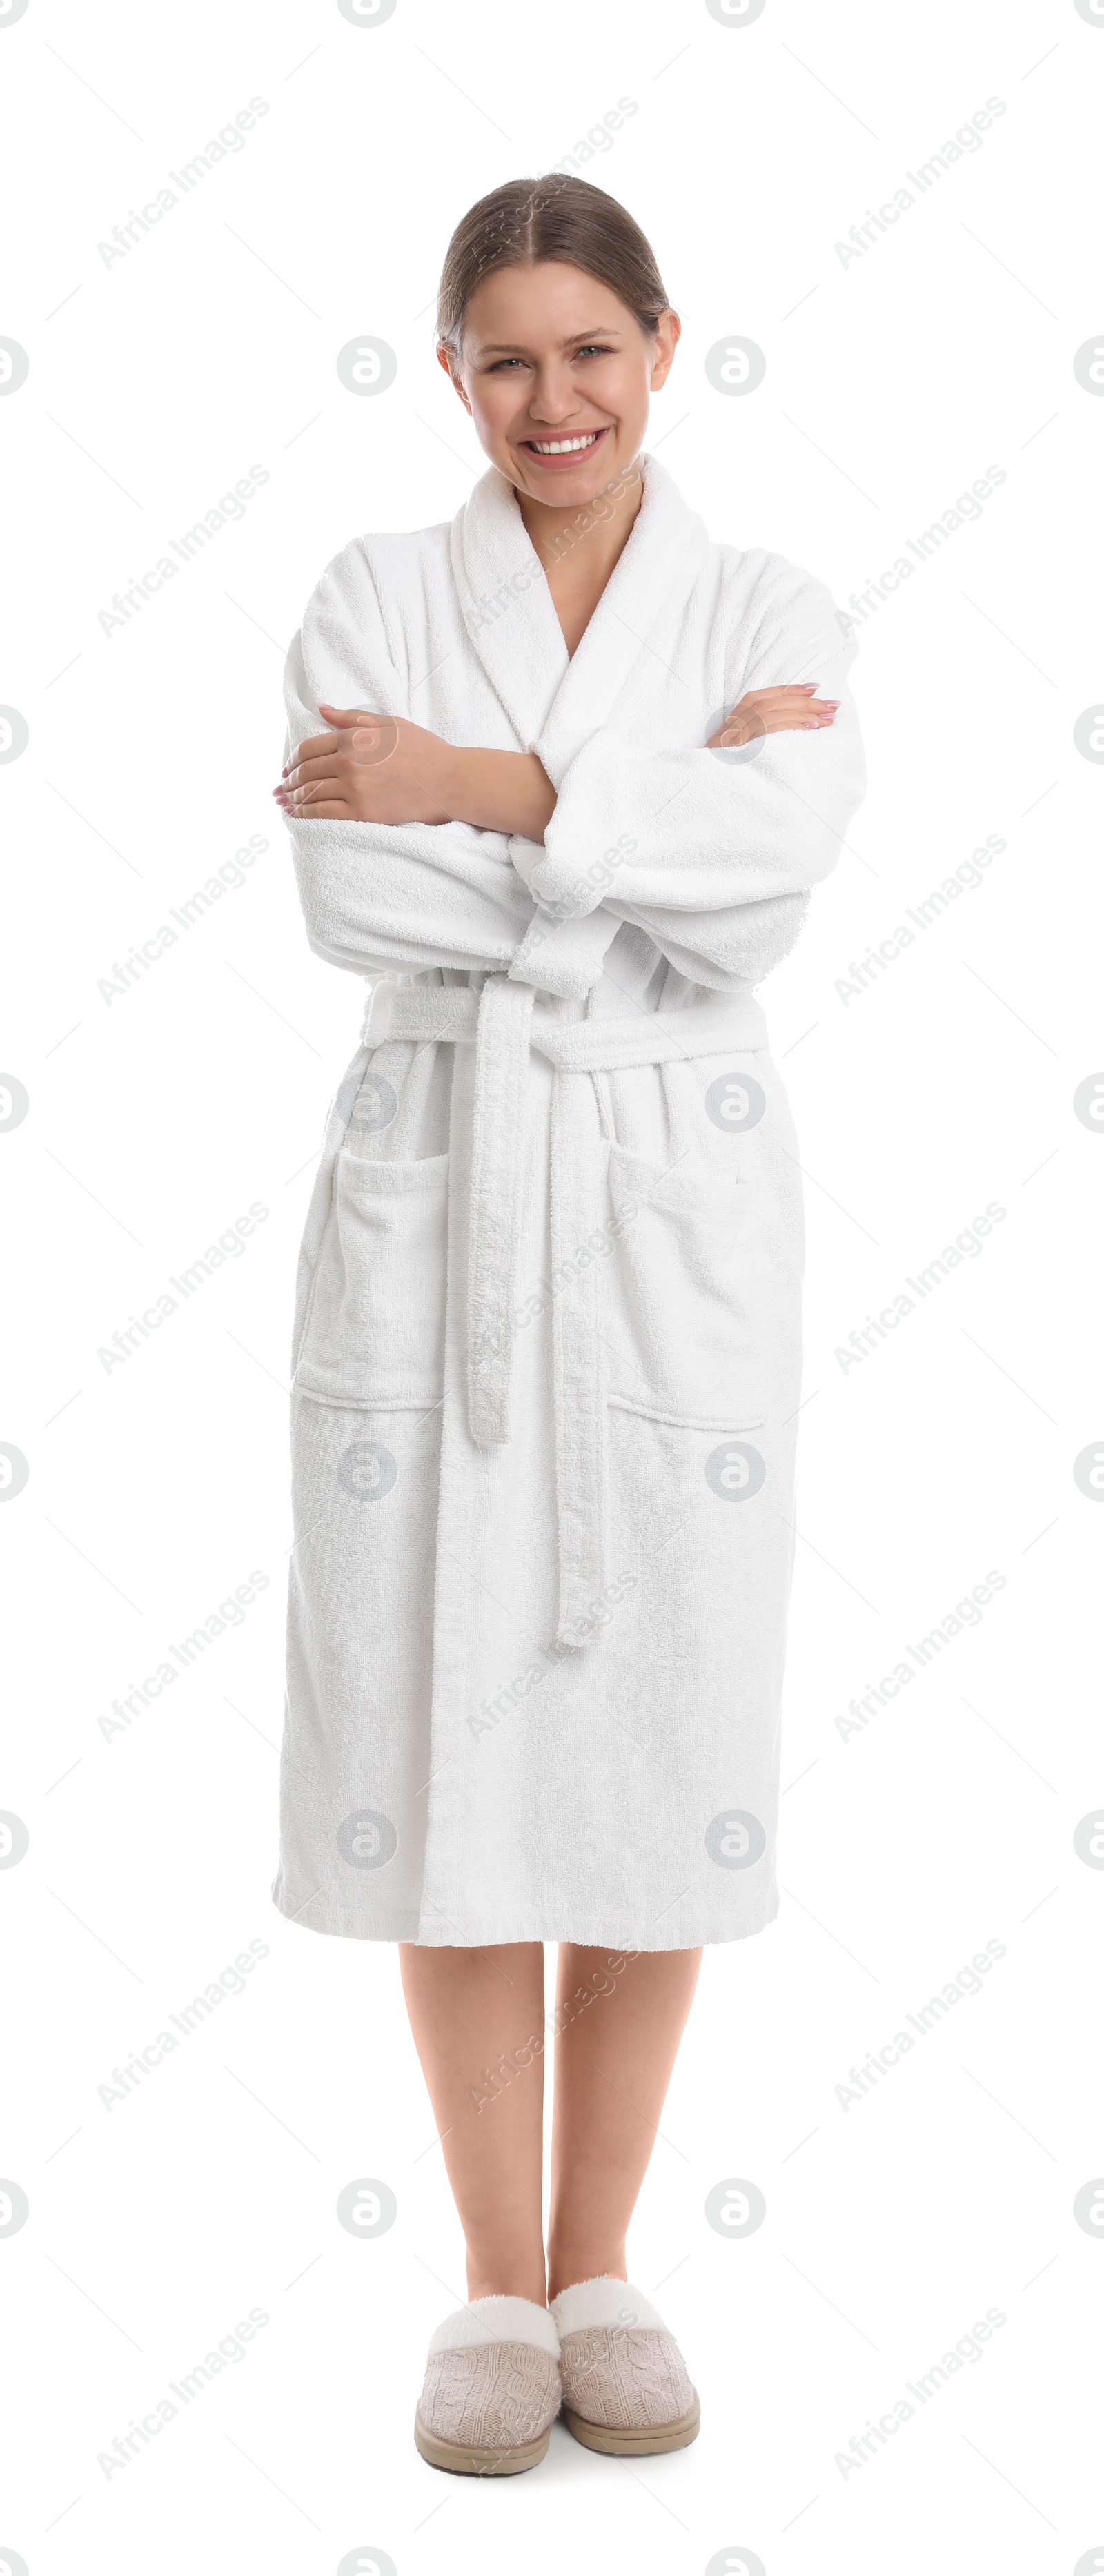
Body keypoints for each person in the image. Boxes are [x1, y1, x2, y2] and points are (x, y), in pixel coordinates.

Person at [272, 173, 865, 2475]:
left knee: (656, 1717)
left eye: (591, 351)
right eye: (505, 358)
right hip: (449, 1184)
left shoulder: (771, 599)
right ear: (453, 374)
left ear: (666, 345)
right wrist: (644, 826)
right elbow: (353, 887)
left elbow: (782, 873)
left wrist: (483, 786)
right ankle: (484, 2284)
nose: (555, 400)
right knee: (444, 1725)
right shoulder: (365, 592)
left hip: (668, 1196)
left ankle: (604, 2261)